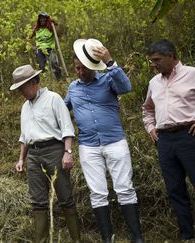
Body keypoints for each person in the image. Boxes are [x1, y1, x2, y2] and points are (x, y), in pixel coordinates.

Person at [65, 38, 144, 243]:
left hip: (114, 141)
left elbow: (126, 87)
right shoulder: (72, 88)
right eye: (77, 68)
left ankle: (137, 237)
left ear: (93, 67)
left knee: (124, 188)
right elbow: (63, 110)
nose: (80, 72)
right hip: (88, 146)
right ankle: (107, 239)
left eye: (84, 68)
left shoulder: (109, 79)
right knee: (97, 192)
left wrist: (111, 63)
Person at [11, 65, 81, 243]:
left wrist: (67, 152)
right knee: (38, 202)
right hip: (34, 156)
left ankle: (76, 240)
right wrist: (21, 159)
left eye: (23, 87)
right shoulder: (25, 107)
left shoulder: (53, 99)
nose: (21, 92)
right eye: (19, 89)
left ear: (34, 82)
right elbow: (24, 137)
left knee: (65, 197)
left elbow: (67, 128)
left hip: (54, 151)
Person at [142, 39, 195, 241]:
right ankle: (187, 236)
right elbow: (147, 109)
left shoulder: (191, 74)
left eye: (157, 60)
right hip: (164, 142)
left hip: (189, 137)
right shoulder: (154, 82)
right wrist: (150, 127)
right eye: (152, 60)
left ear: (171, 56)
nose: (154, 64)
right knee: (175, 190)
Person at [27, 12, 62, 80]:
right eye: (40, 18)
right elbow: (27, 38)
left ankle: (59, 79)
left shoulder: (51, 27)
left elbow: (59, 34)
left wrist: (54, 23)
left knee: (54, 63)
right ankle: (45, 81)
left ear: (47, 19)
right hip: (40, 49)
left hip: (50, 48)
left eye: (44, 18)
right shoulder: (36, 29)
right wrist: (32, 47)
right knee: (41, 67)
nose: (42, 20)